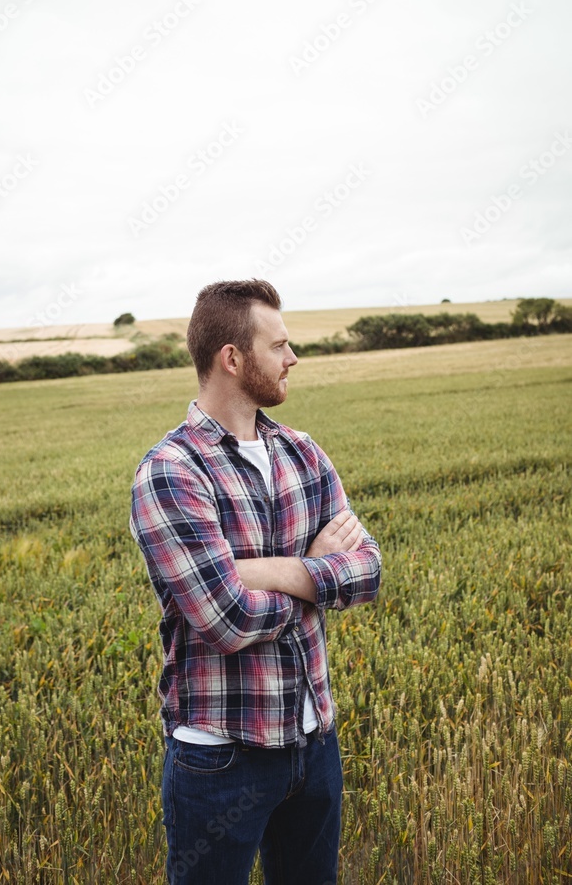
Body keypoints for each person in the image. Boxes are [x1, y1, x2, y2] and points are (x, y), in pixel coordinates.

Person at [129, 279, 382, 885]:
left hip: (313, 740)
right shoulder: (170, 472)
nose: (293, 358)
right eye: (280, 345)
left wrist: (260, 572)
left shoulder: (302, 451)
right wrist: (318, 576)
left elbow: (368, 570)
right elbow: (224, 619)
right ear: (233, 358)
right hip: (221, 758)